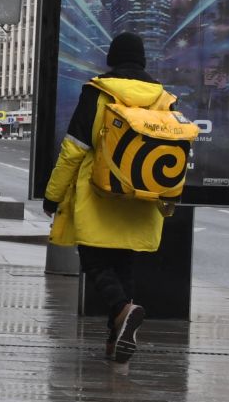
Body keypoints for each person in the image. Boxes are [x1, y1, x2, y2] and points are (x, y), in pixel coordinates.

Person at [42, 32, 170, 365]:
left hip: (98, 194)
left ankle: (122, 310)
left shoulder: (98, 93)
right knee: (123, 265)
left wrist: (53, 196)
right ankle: (116, 342)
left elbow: (73, 151)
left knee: (95, 262)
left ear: (111, 59)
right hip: (141, 197)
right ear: (143, 60)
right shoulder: (162, 99)